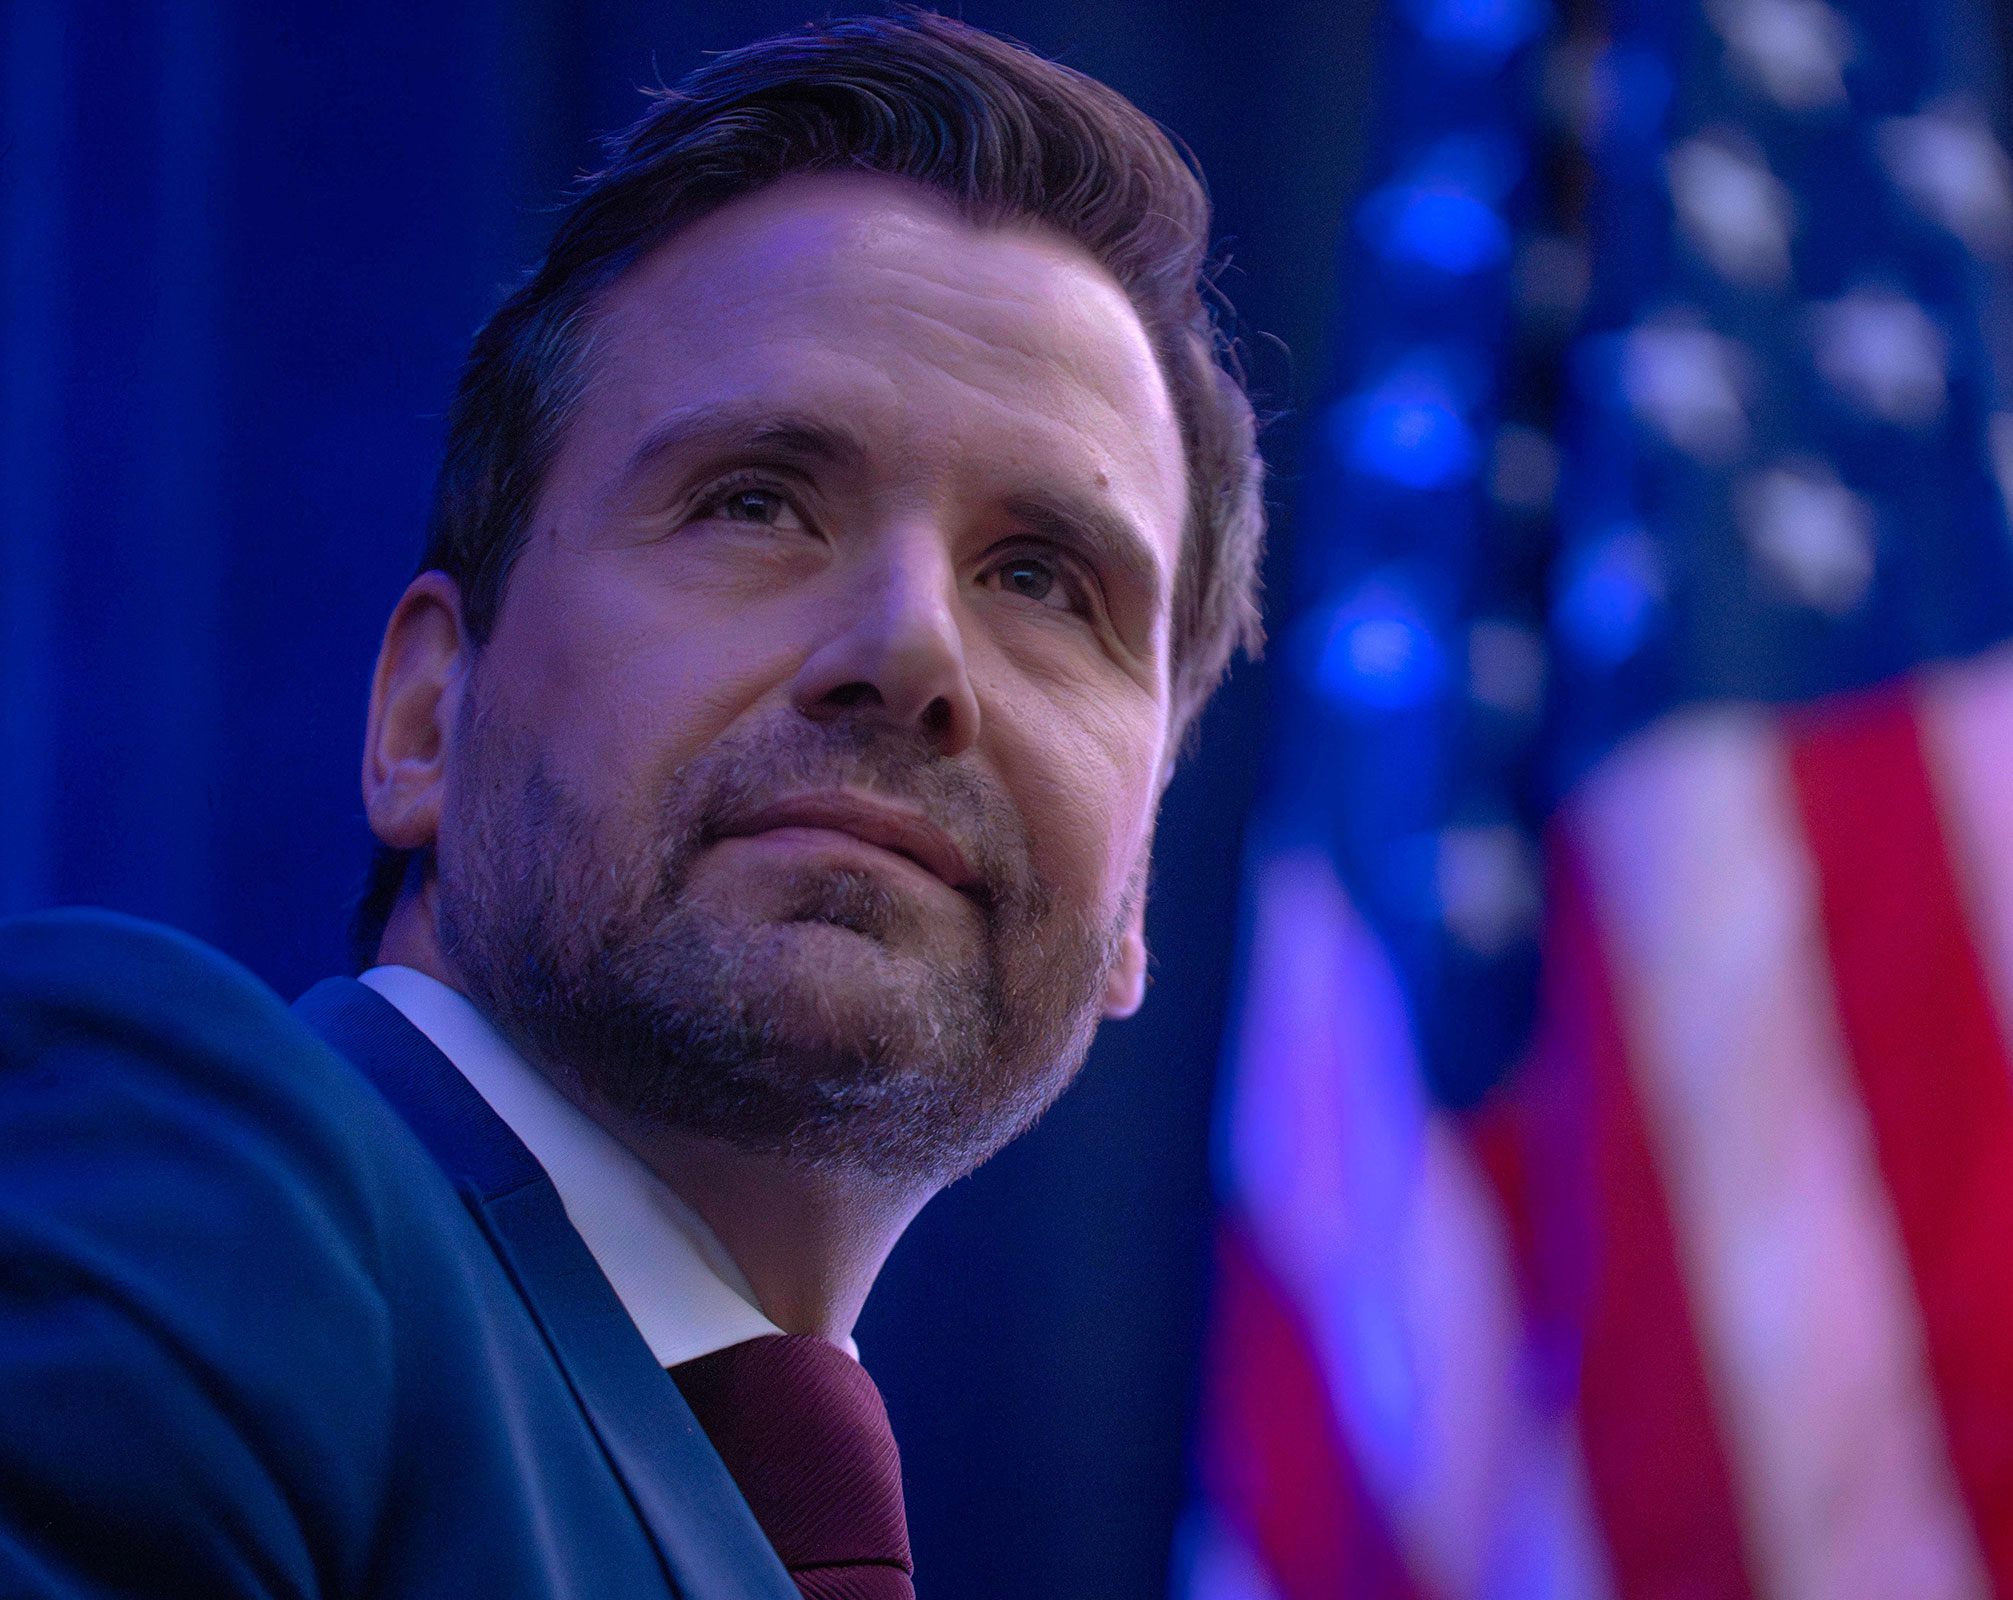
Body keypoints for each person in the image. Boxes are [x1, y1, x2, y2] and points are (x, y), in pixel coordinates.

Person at [0, 12, 1264, 1599]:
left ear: (1141, 886)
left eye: (1040, 578)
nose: (911, 649)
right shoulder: (206, 1170)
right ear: (423, 716)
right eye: (755, 500)